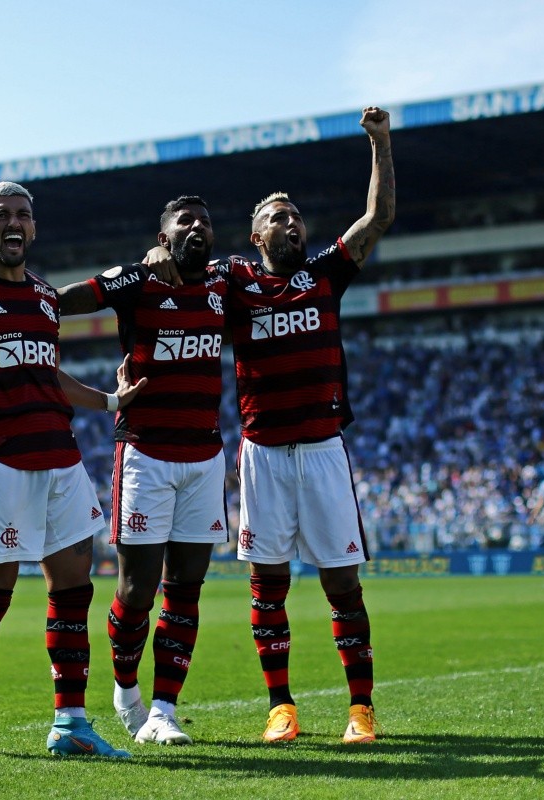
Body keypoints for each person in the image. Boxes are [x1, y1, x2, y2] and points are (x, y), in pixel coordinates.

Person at [147, 106, 395, 744]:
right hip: (260, 452)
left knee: (343, 581)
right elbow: (178, 267)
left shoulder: (324, 275)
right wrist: (155, 252)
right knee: (269, 582)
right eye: (277, 218)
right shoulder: (234, 280)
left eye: (296, 217)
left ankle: (360, 710)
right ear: (257, 236)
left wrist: (381, 145)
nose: (292, 224)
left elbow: (378, 220)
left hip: (322, 449)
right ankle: (280, 706)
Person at [0, 181, 145, 760]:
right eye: (1, 215)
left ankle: (71, 724)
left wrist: (111, 402)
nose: (14, 223)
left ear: (34, 229)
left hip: (61, 460)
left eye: (23, 215)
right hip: (1, 463)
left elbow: (49, 375)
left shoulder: (43, 298)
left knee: (74, 593)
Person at [51, 196, 229, 746]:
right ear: (164, 234)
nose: (197, 226)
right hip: (146, 454)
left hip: (205, 455)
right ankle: (125, 689)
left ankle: (163, 709)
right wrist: (142, 258)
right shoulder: (136, 280)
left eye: (204, 219)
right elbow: (60, 302)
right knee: (137, 588)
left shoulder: (228, 282)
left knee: (187, 587)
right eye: (184, 222)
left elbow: (277, 273)